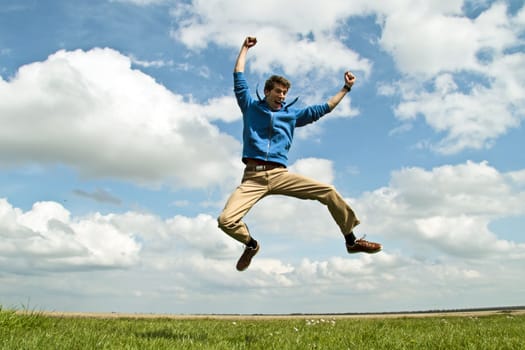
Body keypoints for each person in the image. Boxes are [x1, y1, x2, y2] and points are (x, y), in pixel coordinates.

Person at [218, 36, 382, 271]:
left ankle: (351, 240)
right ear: (267, 91)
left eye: (285, 92)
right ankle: (251, 245)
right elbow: (239, 77)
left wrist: (346, 88)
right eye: (278, 91)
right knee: (225, 220)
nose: (282, 96)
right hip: (252, 178)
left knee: (329, 191)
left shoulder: (291, 115)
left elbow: (323, 109)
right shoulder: (250, 107)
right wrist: (244, 48)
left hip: (279, 174)